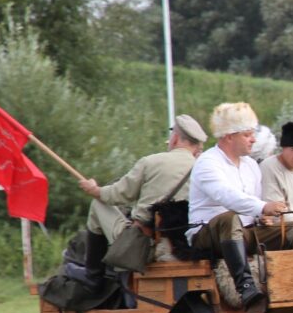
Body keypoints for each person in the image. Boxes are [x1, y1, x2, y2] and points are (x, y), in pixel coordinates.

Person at [186, 102, 293, 307]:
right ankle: (245, 287)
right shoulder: (207, 163)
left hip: (243, 233)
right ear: (229, 136)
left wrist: (261, 217)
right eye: (247, 135)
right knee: (229, 218)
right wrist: (263, 207)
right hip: (207, 236)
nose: (253, 139)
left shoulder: (251, 166)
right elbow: (228, 196)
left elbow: (250, 207)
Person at [77, 114, 207, 284]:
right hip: (187, 244)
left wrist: (94, 190)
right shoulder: (205, 168)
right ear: (197, 146)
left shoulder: (151, 162)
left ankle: (94, 279)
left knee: (97, 205)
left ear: (174, 139)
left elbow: (116, 195)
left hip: (147, 245)